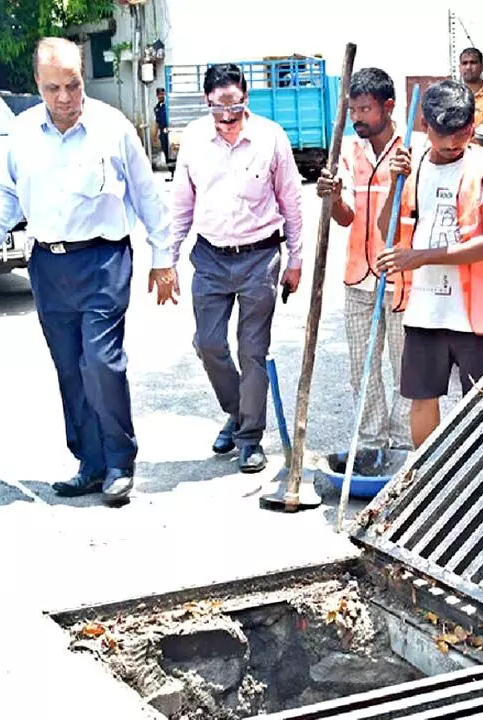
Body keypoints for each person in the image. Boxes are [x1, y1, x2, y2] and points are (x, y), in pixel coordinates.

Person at [0, 38, 173, 503]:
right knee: (70, 368)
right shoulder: (21, 133)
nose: (64, 98)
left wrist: (163, 258)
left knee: (101, 363)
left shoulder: (112, 127)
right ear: (37, 86)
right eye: (52, 88)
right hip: (48, 265)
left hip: (104, 260)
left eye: (73, 85)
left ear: (83, 78)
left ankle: (120, 460)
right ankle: (90, 462)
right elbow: (8, 197)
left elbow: (146, 196)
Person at [170, 63, 304, 474]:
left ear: (246, 97)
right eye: (218, 109)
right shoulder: (193, 140)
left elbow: (292, 201)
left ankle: (249, 439)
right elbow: (181, 204)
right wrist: (168, 259)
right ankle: (239, 412)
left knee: (252, 350)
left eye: (235, 107)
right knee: (208, 344)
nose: (227, 118)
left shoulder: (271, 138)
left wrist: (296, 260)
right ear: (206, 102)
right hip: (210, 257)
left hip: (260, 258)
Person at [375, 79, 483, 448]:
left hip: (477, 315)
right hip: (424, 309)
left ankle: (479, 482)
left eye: (461, 137)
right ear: (425, 126)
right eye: (443, 138)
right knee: (422, 399)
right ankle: (426, 481)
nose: (453, 146)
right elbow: (384, 228)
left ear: (472, 126)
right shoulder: (411, 163)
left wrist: (420, 257)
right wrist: (394, 182)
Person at [316, 67, 412, 473]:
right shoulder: (348, 151)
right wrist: (332, 198)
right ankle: (372, 443)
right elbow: (344, 217)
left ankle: (405, 448)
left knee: (406, 367)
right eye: (353, 108)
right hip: (358, 277)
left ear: (388, 107)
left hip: (403, 280)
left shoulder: (413, 151)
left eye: (366, 109)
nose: (358, 117)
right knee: (363, 368)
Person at [155, 87, 170, 165]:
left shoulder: (168, 106)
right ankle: (170, 170)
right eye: (159, 94)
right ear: (157, 96)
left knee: (172, 149)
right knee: (165, 150)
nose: (161, 96)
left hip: (169, 130)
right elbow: (157, 122)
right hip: (162, 132)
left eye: (162, 94)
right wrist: (155, 135)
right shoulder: (157, 108)